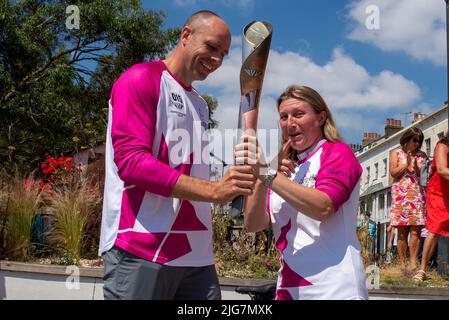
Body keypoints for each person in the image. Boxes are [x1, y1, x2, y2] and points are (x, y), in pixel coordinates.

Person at [99, 10, 256, 300]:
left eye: (223, 54)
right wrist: (214, 190)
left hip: (195, 254)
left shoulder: (200, 103)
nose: (217, 61)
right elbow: (132, 162)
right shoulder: (140, 78)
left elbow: (190, 167)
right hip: (141, 246)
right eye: (211, 47)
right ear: (185, 36)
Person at [235, 85, 368, 300]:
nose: (290, 123)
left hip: (334, 287)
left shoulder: (337, 152)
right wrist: (261, 179)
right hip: (289, 287)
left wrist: (266, 173)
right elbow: (254, 224)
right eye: (284, 117)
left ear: (321, 117)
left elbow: (323, 207)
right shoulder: (282, 169)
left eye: (299, 114)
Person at [389, 127, 427, 273]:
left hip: (417, 196)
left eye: (419, 141)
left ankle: (413, 264)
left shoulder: (422, 155)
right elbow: (393, 172)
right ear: (406, 139)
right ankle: (403, 264)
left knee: (416, 231)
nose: (417, 144)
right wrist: (406, 164)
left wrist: (416, 166)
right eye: (414, 140)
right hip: (400, 197)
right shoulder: (396, 153)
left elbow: (424, 177)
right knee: (402, 232)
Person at [414, 131, 449, 281]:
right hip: (439, 192)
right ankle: (422, 270)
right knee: (434, 230)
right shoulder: (443, 145)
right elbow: (441, 169)